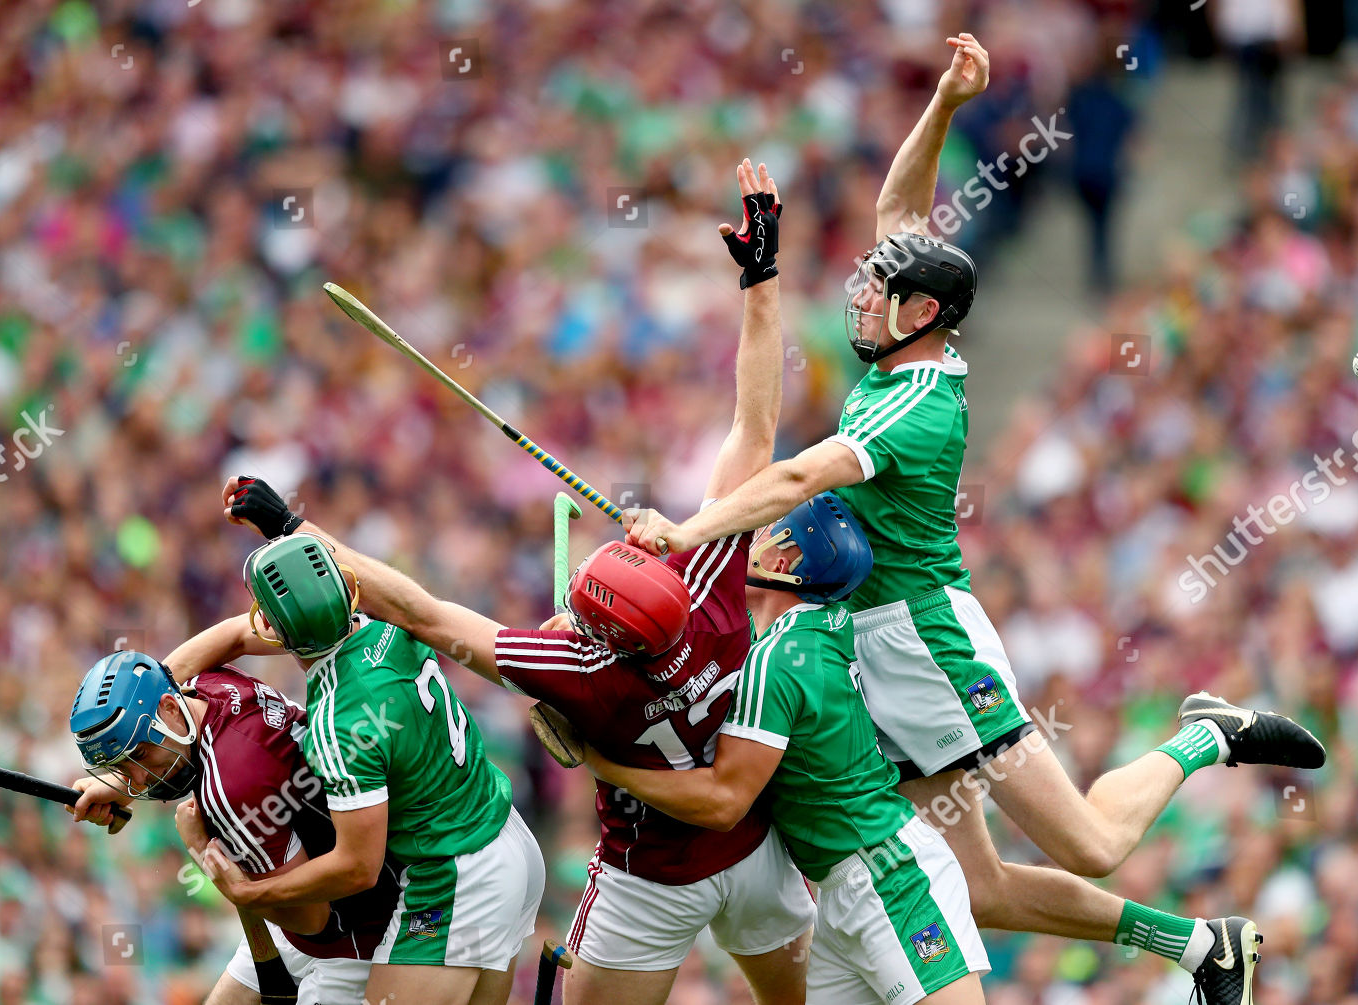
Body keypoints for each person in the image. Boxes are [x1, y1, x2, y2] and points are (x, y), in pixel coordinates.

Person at [618, 30, 1327, 1005]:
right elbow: (898, 209)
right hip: (874, 649)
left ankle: (1204, 733)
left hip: (927, 644)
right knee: (979, 889)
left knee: (1095, 843)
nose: (861, 301)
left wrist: (684, 535)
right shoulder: (905, 348)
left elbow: (794, 481)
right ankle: (1202, 947)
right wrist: (949, 100)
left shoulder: (918, 405)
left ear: (923, 316)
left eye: (879, 294)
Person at [220, 159, 815, 1005]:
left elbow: (419, 610)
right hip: (756, 855)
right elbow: (756, 423)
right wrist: (762, 276)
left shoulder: (574, 667)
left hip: (648, 875)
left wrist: (292, 534)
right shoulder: (710, 574)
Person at [586, 493, 988, 1005]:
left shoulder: (777, 659)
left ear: (784, 561)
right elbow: (701, 633)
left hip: (887, 879)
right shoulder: (814, 628)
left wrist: (603, 762)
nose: (750, 535)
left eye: (766, 528)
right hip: (845, 885)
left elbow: (723, 802)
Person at [162, 535, 545, 1005]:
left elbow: (357, 867)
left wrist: (251, 893)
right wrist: (140, 720)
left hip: (453, 875)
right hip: (504, 835)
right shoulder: (386, 621)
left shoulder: (337, 725)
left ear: (272, 628)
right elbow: (237, 636)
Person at [67, 640, 400, 1005]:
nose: (140, 778)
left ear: (169, 709)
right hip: (305, 873)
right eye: (120, 765)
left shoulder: (230, 787)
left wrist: (201, 851)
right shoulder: (209, 685)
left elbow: (310, 920)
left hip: (351, 931)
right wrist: (120, 783)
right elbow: (239, 631)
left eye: (141, 755)